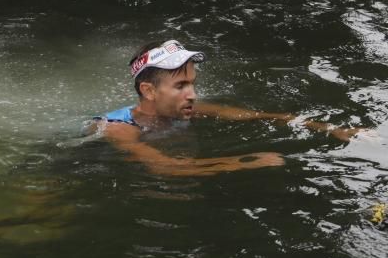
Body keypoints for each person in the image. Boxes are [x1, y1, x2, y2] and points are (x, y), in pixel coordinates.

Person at [90, 39, 363, 176]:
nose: (192, 95)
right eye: (181, 86)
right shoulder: (119, 129)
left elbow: (259, 117)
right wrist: (244, 162)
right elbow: (169, 168)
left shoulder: (185, 108)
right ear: (148, 91)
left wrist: (334, 129)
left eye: (192, 83)